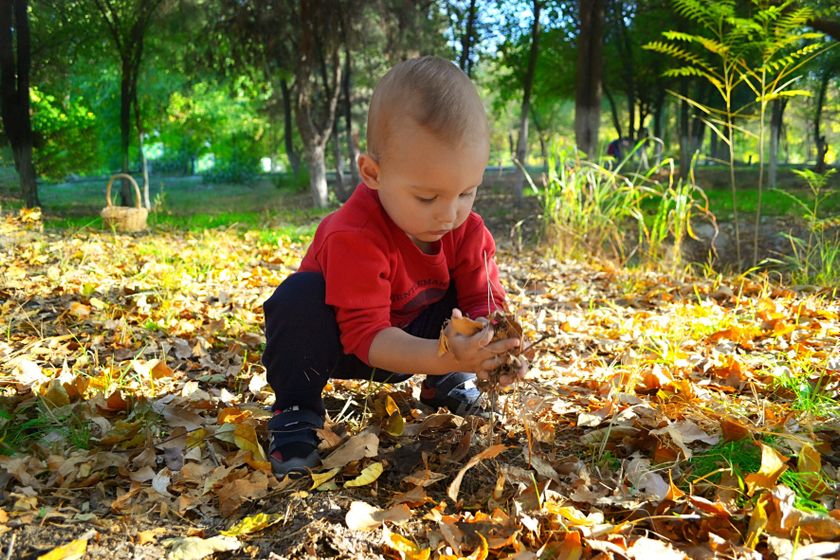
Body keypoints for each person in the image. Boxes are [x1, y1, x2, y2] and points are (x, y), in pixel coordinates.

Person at [261, 56, 527, 476]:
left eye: (467, 192)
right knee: (297, 298)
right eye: (427, 197)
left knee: (475, 296)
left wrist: (496, 352)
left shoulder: (467, 232)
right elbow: (366, 335)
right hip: (347, 345)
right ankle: (296, 410)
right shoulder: (353, 233)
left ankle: (445, 385)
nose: (449, 214)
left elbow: (484, 308)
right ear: (373, 173)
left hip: (420, 334)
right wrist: (446, 355)